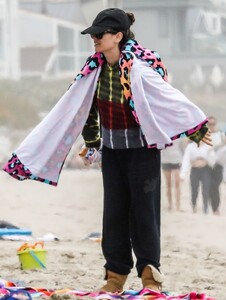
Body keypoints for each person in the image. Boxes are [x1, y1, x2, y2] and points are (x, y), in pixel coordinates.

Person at [3, 8, 212, 294]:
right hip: (113, 151)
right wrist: (92, 143)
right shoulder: (94, 70)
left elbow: (168, 100)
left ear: (118, 36)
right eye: (94, 35)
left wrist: (194, 127)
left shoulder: (140, 67)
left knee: (144, 211)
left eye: (100, 35)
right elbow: (85, 107)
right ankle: (115, 272)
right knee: (114, 212)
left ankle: (150, 272)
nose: (95, 39)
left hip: (142, 150)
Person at [180, 140, 215, 214]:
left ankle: (205, 208)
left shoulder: (208, 146)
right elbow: (186, 160)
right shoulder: (190, 146)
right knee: (194, 190)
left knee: (205, 189)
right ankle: (194, 204)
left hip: (205, 170)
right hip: (195, 170)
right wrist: (183, 174)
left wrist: (208, 158)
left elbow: (213, 161)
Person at [207, 116, 226, 215]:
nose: (211, 126)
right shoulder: (203, 135)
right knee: (208, 187)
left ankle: (215, 208)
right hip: (207, 165)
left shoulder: (221, 134)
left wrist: (215, 147)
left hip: (218, 164)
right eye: (209, 124)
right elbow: (190, 143)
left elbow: (224, 144)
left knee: (215, 186)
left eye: (213, 124)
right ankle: (209, 207)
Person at [161, 139, 184, 211]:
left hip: (177, 159)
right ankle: (170, 205)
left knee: (177, 183)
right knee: (168, 184)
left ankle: (178, 206)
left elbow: (183, 146)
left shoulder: (178, 132)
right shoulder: (162, 132)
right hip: (165, 159)